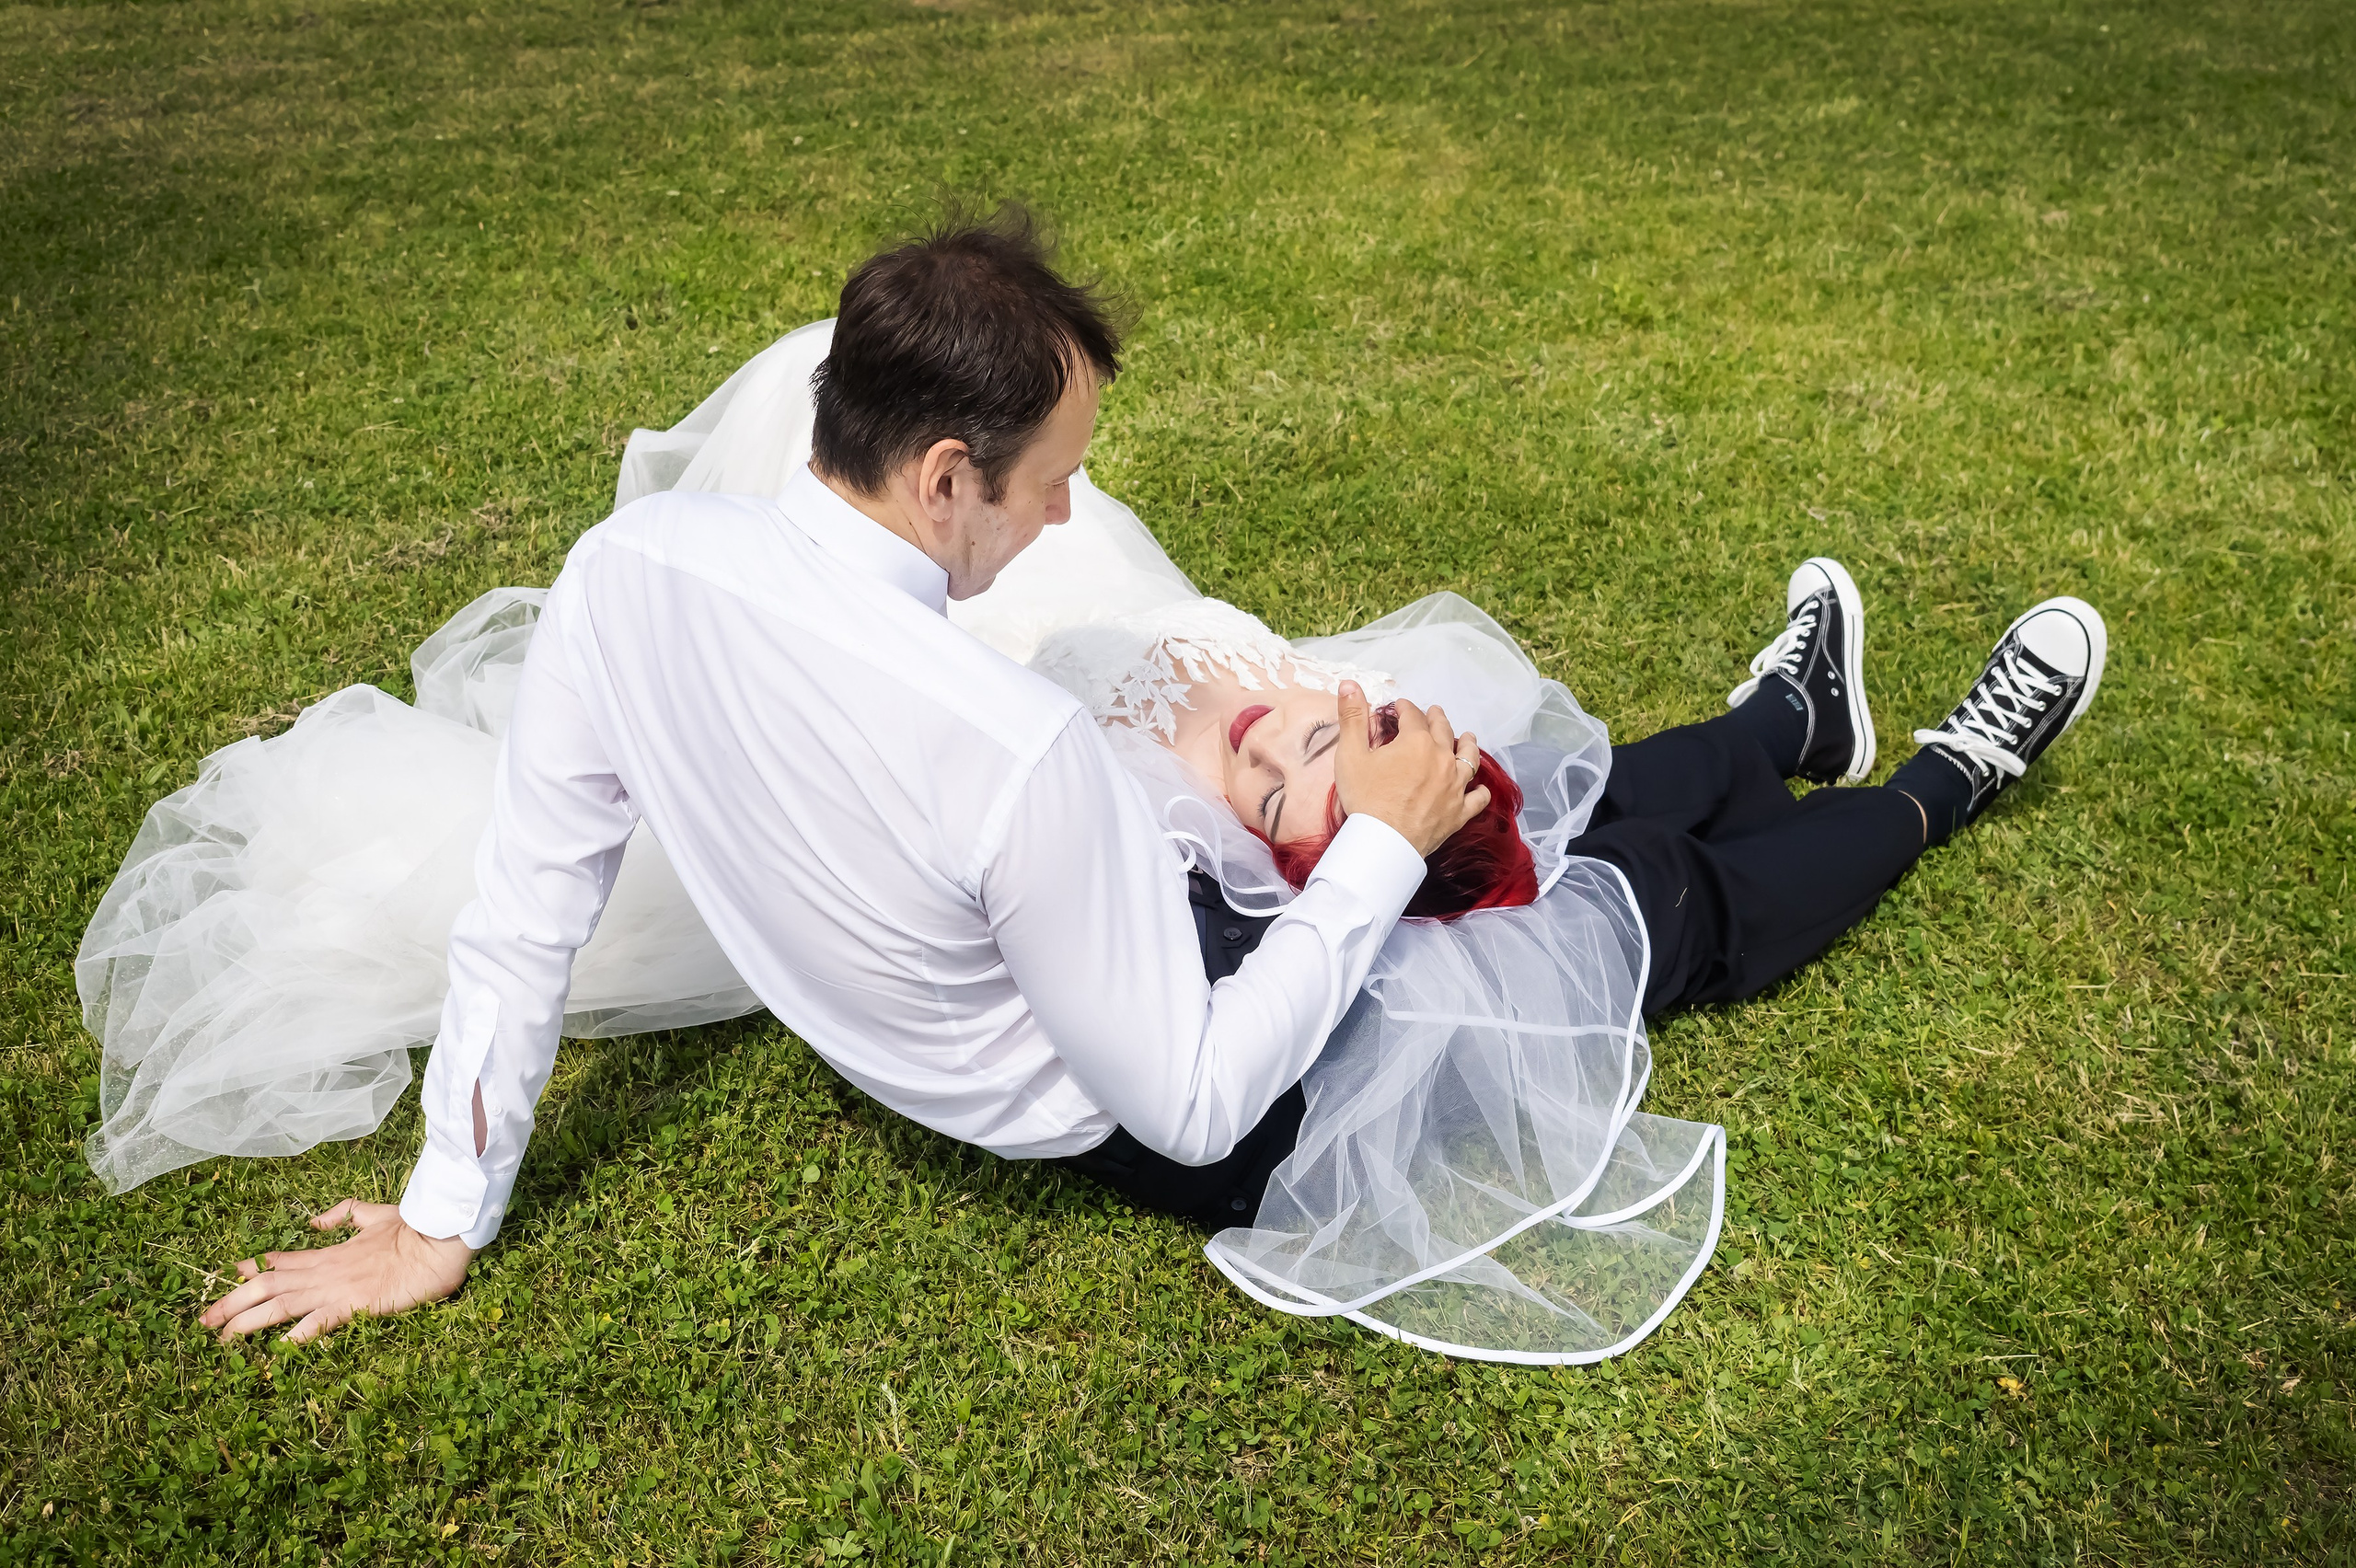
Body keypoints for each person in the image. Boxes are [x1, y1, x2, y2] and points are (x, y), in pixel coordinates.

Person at [83, 212, 2108, 1363]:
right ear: (940, 470)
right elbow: (1200, 1098)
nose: (1063, 518)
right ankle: (1945, 774)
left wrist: (452, 1210)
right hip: (1176, 1082)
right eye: (1047, 480)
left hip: (1090, 949)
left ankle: (1780, 723)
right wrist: (1365, 871)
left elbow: (528, 901)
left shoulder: (630, 579)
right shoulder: (1008, 745)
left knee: (1524, 811)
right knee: (1635, 918)